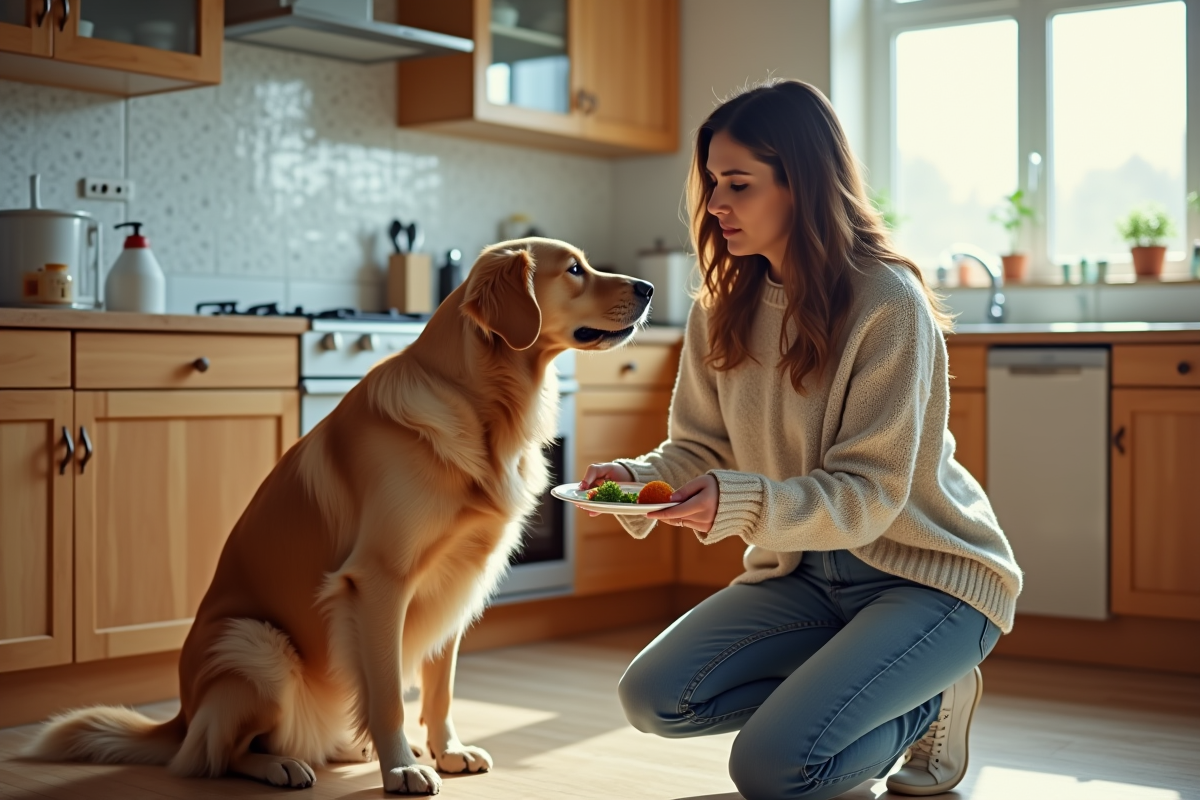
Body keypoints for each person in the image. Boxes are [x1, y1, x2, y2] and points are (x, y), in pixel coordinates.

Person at [578, 79, 1022, 800]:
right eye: (714, 182)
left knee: (772, 771)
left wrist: (740, 500)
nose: (716, 203)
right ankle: (859, 683)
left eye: (739, 184)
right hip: (808, 574)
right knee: (654, 698)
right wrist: (631, 479)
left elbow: (871, 494)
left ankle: (926, 698)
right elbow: (697, 448)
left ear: (803, 186)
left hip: (927, 576)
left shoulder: (887, 302)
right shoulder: (721, 307)